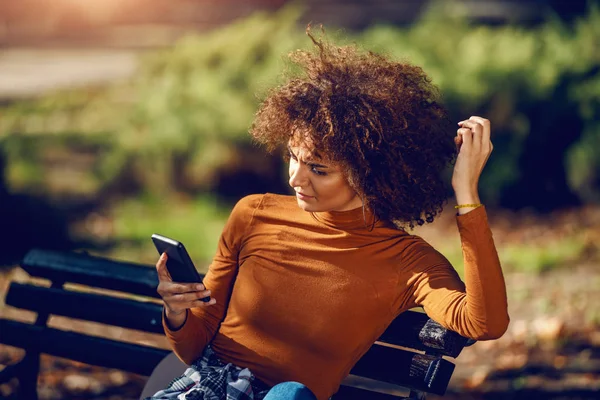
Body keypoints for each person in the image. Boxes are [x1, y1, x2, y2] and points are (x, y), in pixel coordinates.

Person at [147, 30, 509, 400]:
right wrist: (177, 313)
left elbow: (484, 322)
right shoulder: (253, 214)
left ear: (369, 173)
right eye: (293, 156)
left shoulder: (408, 262)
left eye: (318, 169)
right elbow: (195, 348)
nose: (296, 178)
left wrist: (466, 195)